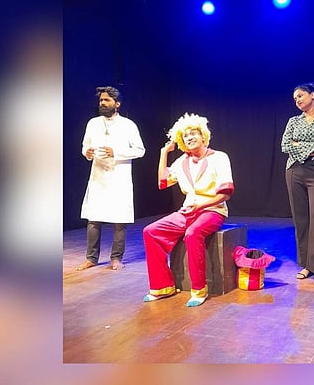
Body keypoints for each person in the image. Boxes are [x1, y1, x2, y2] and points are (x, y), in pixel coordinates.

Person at [142, 113, 234, 307]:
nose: (190, 138)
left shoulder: (219, 157)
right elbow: (162, 182)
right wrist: (164, 153)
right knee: (150, 231)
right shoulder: (181, 162)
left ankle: (199, 289)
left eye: (193, 133)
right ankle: (162, 287)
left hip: (213, 210)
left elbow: (225, 194)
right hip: (188, 211)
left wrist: (201, 205)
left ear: (203, 135)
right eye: (185, 136)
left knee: (193, 233)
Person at [77, 86, 145, 271]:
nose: (102, 103)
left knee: (119, 219)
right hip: (98, 177)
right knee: (93, 218)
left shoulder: (128, 125)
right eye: (101, 100)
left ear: (117, 103)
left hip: (118, 178)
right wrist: (87, 152)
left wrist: (116, 152)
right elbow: (85, 146)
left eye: (106, 100)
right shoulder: (93, 123)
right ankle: (91, 258)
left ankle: (116, 258)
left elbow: (140, 150)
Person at [281, 82, 314, 287]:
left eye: (300, 95)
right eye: (295, 98)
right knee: (300, 218)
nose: (297, 100)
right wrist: (311, 148)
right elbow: (285, 145)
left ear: (312, 95)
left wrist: (299, 146)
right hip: (294, 170)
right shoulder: (293, 121)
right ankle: (306, 265)